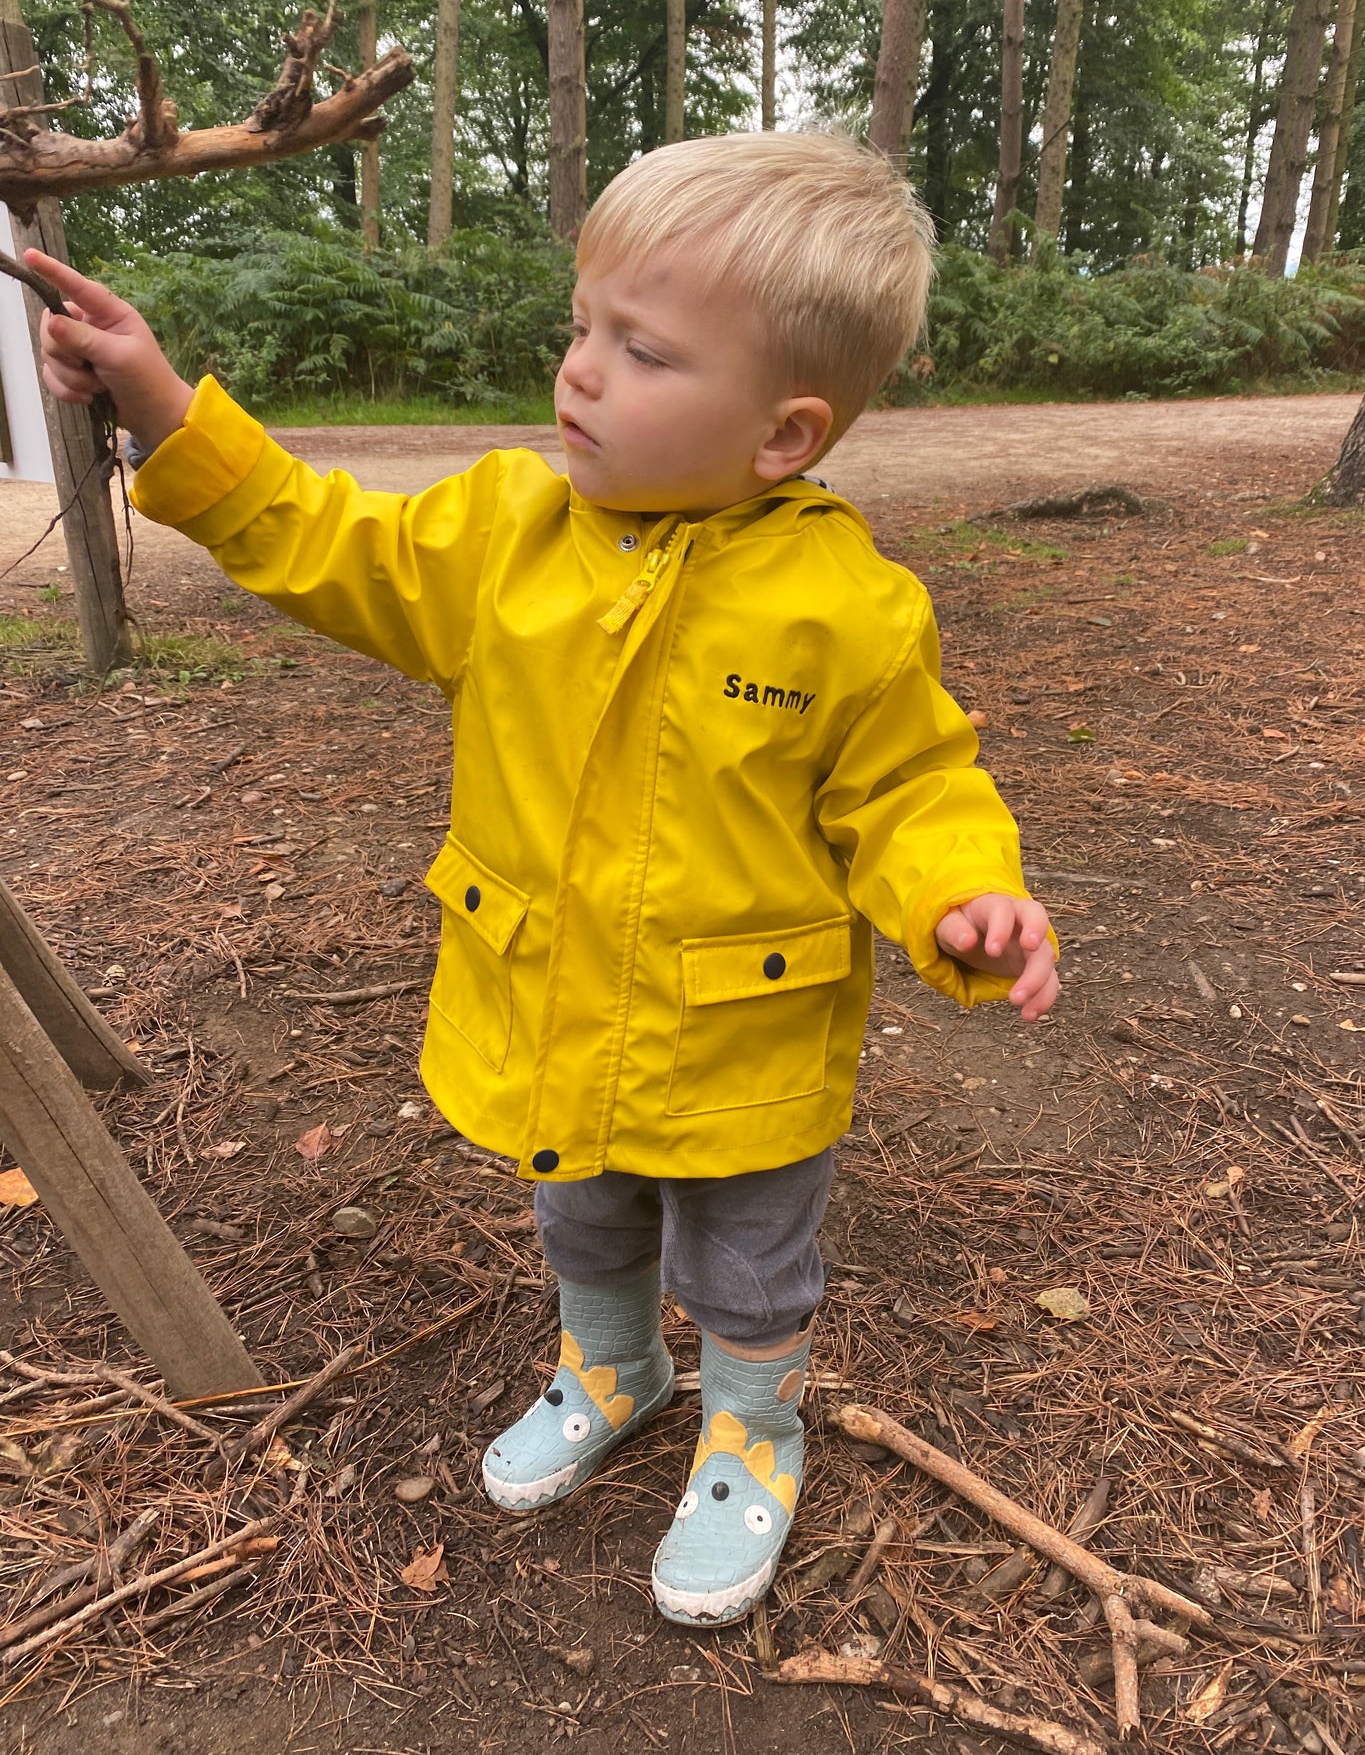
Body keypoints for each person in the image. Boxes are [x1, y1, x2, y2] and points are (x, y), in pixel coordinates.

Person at [31, 130, 1059, 1629]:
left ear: (783, 434)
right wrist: (168, 410)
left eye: (639, 351)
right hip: (548, 995)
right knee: (580, 1214)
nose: (578, 371)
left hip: (740, 1030)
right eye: (583, 328)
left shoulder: (843, 606)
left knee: (750, 1255)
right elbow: (319, 537)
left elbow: (909, 783)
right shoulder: (504, 533)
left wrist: (960, 895)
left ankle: (749, 1429)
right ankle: (610, 1367)